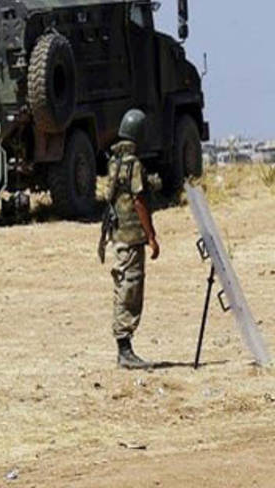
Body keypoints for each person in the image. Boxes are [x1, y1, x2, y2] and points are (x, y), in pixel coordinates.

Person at [103, 109, 159, 369]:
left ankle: (124, 347)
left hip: (118, 235)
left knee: (122, 285)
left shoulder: (115, 161)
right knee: (130, 288)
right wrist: (151, 235)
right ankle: (124, 350)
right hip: (131, 235)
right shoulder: (132, 163)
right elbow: (138, 200)